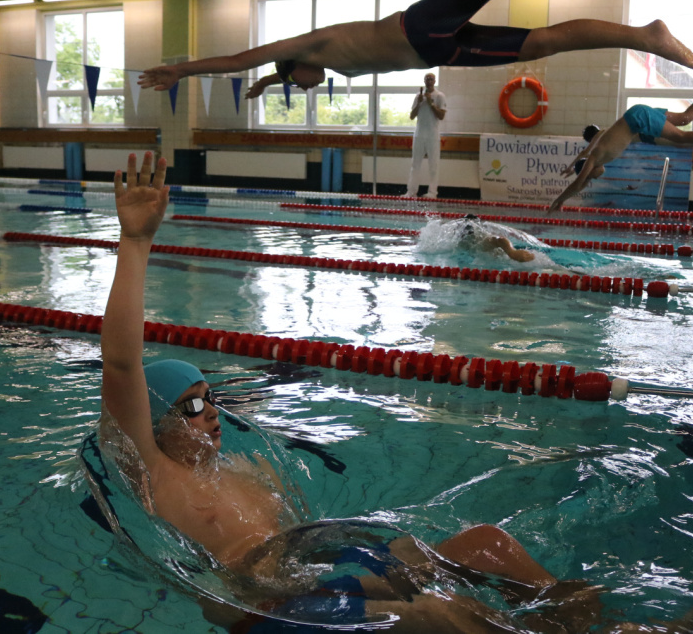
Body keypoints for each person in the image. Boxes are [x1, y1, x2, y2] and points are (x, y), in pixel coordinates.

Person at [101, 151, 625, 633]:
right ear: (154, 421)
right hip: (267, 610)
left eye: (212, 398)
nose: (212, 413)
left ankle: (590, 619)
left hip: (321, 573)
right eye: (192, 405)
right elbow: (122, 365)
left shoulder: (243, 469)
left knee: (486, 544)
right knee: (441, 615)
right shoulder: (153, 474)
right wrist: (136, 242)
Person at [138, 0, 693, 97]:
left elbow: (241, 60)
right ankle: (643, 36)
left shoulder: (309, 43)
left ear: (294, 64)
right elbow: (266, 74)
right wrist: (268, 83)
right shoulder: (312, 65)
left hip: (419, 29)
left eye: (295, 83)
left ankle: (647, 35)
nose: (306, 88)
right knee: (542, 44)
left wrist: (181, 71)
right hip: (439, 51)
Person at [547, 84, 693, 212]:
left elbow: (578, 183)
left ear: (588, 170)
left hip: (638, 119)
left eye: (591, 177)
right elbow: (581, 181)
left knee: (680, 137)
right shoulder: (594, 155)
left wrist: (559, 200)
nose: (597, 177)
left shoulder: (595, 156)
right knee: (685, 119)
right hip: (640, 125)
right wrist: (571, 170)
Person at [406, 73, 447, 199]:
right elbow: (412, 116)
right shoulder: (418, 96)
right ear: (424, 81)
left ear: (434, 81)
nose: (429, 81)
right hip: (419, 134)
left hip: (432, 135)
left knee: (433, 165)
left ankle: (432, 192)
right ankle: (411, 192)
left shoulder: (440, 96)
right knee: (415, 164)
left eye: (431, 79)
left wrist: (431, 103)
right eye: (427, 79)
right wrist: (419, 103)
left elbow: (441, 116)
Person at [457, 214, 536, 263]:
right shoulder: (463, 243)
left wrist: (512, 252)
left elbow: (499, 240)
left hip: (514, 260)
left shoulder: (480, 241)